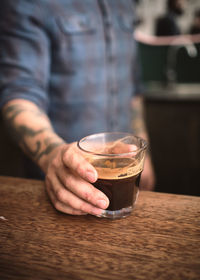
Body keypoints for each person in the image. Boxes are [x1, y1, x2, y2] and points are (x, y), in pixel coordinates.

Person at [0, 0, 155, 217]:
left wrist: (143, 149)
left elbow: (133, 86)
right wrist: (53, 155)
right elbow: (20, 94)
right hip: (63, 193)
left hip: (127, 181)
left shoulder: (125, 4)